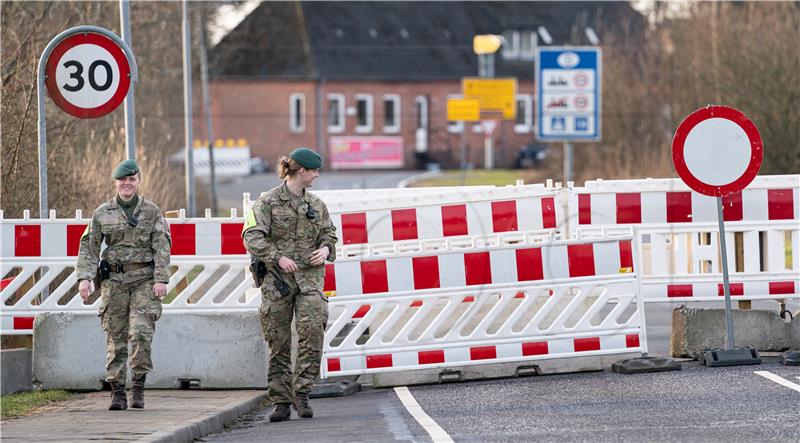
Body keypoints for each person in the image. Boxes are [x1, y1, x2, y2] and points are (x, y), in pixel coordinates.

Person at [242, 147, 337, 422]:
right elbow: (251, 236)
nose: (317, 175)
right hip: (277, 282)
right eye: (315, 171)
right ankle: (281, 401)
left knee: (313, 333)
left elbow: (330, 233)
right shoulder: (266, 203)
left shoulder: (317, 205)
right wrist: (277, 258)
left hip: (309, 280)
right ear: (301, 171)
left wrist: (326, 249)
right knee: (278, 342)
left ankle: (303, 393)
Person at [76, 159, 172, 411]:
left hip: (143, 279)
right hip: (114, 282)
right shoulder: (103, 212)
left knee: (141, 333)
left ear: (138, 182)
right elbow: (89, 246)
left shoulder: (151, 211)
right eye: (123, 180)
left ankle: (138, 387)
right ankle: (117, 391)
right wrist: (85, 277)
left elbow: (162, 246)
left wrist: (161, 279)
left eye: (132, 179)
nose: (127, 184)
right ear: (116, 183)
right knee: (115, 336)